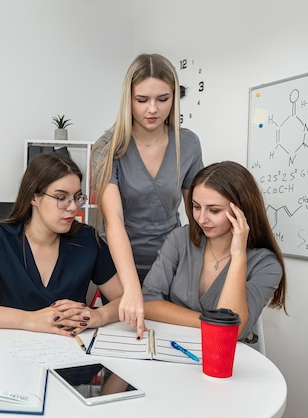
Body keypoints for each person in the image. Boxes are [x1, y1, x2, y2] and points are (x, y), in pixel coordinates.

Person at [0, 152, 123, 337]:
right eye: (61, 197)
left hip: (68, 349)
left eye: (76, 197)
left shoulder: (87, 240)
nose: (73, 207)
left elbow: (124, 298)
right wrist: (29, 320)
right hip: (5, 347)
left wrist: (99, 315)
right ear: (34, 197)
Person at [91, 53, 203, 337]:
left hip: (169, 262)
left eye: (162, 99)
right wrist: (130, 289)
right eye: (142, 100)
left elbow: (197, 214)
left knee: (169, 339)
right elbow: (113, 219)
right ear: (127, 99)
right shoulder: (107, 147)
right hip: (118, 265)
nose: (152, 109)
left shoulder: (188, 143)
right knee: (124, 338)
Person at [142, 161, 287, 340]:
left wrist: (238, 255)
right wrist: (211, 323)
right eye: (196, 207)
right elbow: (148, 302)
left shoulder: (266, 265)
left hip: (225, 357)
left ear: (240, 210)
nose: (201, 218)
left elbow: (234, 330)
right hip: (173, 348)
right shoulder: (180, 239)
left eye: (214, 210)